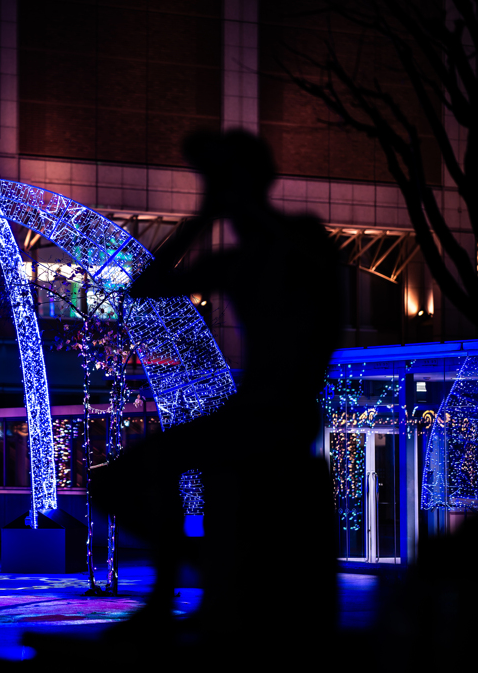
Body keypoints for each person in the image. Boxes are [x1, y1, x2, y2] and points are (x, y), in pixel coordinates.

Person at [87, 130, 343, 662]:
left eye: (221, 184)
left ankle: (186, 592)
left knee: (151, 469)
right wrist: (203, 217)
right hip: (253, 411)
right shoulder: (236, 261)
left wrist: (238, 204)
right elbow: (146, 289)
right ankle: (202, 581)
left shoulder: (296, 237)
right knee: (120, 481)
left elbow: (318, 286)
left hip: (285, 414)